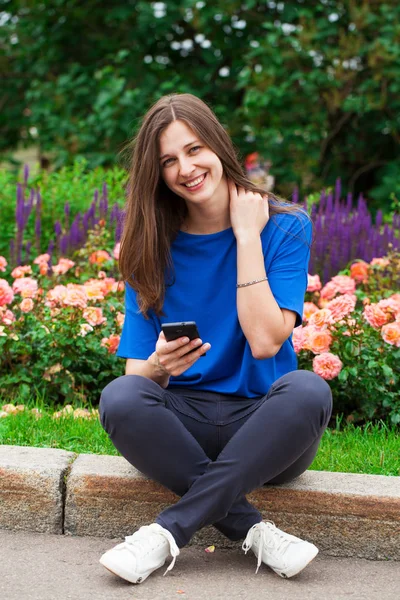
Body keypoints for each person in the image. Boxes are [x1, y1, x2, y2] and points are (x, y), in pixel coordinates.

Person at [99, 93, 332, 585]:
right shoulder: (149, 246)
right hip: (184, 429)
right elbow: (134, 377)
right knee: (121, 397)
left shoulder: (285, 226)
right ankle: (255, 531)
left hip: (267, 430)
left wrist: (247, 238)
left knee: (310, 390)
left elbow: (268, 342)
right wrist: (160, 364)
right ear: (157, 174)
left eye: (194, 149)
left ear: (218, 146)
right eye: (168, 161)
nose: (185, 168)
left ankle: (166, 532)